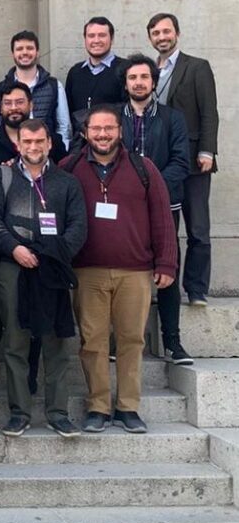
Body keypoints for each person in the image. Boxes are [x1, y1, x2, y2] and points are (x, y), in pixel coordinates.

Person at [61, 104, 177, 434]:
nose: (102, 134)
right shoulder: (69, 167)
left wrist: (166, 262)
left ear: (120, 131)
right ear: (86, 133)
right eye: (96, 129)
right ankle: (98, 405)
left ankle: (128, 406)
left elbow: (163, 219)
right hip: (87, 271)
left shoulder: (144, 168)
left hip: (135, 272)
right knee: (93, 342)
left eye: (109, 128)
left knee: (131, 340)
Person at [0, 119, 87, 437]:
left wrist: (53, 254)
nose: (33, 147)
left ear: (49, 143)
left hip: (53, 269)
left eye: (39, 141)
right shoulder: (3, 176)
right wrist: (14, 249)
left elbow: (78, 227)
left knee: (56, 341)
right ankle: (19, 412)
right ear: (19, 145)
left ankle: (58, 412)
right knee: (16, 341)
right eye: (27, 142)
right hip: (14, 267)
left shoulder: (67, 183)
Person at [118, 53, 192, 365]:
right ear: (125, 83)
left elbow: (181, 162)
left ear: (153, 81)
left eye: (144, 77)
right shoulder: (113, 118)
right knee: (119, 273)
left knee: (167, 270)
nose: (138, 83)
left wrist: (152, 187)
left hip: (163, 206)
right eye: (133, 78)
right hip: (121, 207)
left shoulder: (173, 118)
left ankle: (173, 343)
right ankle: (115, 339)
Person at [147, 12, 219, 305]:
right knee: (166, 229)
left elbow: (209, 112)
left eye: (166, 32)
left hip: (192, 159)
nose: (162, 37)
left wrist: (207, 151)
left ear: (177, 33)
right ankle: (168, 288)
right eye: (156, 33)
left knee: (198, 227)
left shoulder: (197, 67)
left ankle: (197, 288)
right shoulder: (149, 70)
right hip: (162, 161)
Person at [0, 31, 71, 149]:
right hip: (9, 158)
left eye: (30, 48)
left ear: (37, 52)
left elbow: (64, 127)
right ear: (13, 54)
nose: (25, 52)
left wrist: (61, 151)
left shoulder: (54, 86)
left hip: (47, 156)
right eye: (19, 49)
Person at [64, 15, 125, 134]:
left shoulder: (125, 69)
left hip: (113, 143)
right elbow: (69, 112)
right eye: (91, 36)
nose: (96, 40)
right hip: (81, 145)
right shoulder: (75, 72)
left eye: (102, 35)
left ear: (112, 39)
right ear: (85, 39)